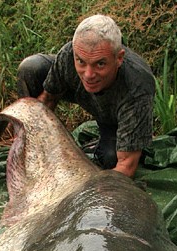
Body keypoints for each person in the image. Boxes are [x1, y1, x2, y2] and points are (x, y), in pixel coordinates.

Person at [17, 15, 155, 178]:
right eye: (81, 62)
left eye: (100, 64)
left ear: (119, 58)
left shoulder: (137, 86)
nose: (88, 74)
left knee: (110, 158)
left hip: (114, 117)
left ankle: (101, 144)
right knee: (31, 68)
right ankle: (33, 147)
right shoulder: (68, 55)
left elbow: (126, 165)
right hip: (80, 92)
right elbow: (47, 99)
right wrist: (27, 136)